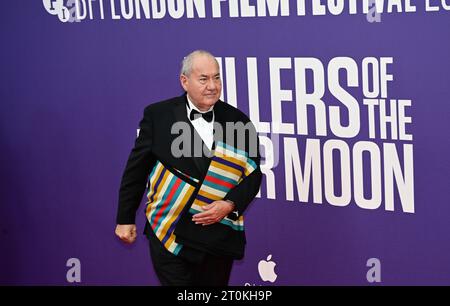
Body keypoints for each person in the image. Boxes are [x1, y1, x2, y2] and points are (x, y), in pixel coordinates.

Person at [115, 50, 262, 286]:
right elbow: (136, 170)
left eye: (217, 78)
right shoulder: (158, 115)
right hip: (167, 229)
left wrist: (230, 204)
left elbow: (253, 176)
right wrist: (125, 218)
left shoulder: (238, 121)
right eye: (203, 79)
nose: (212, 86)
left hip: (216, 236)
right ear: (185, 81)